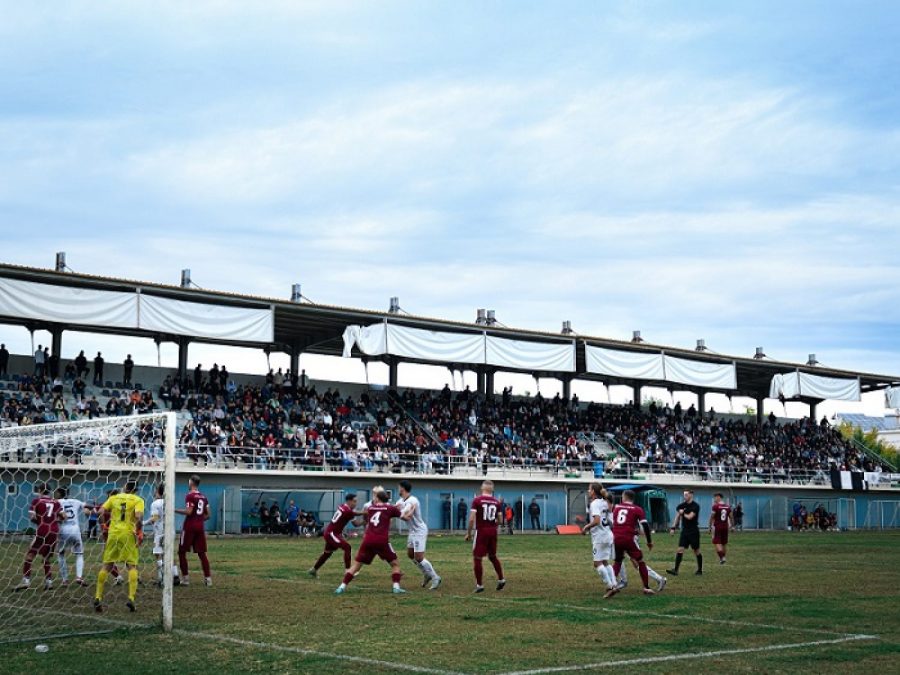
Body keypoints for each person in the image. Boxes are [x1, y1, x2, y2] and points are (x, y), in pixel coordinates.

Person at [334, 487, 408, 595]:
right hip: (382, 540)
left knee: (356, 565)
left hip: (368, 539)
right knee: (395, 564)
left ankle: (341, 587)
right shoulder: (390, 509)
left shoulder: (370, 508)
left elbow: (375, 513)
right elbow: (404, 517)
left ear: (377, 498)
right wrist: (409, 510)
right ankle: (396, 587)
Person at [94, 480, 143, 613]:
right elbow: (138, 516)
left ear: (125, 487)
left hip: (113, 534)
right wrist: (139, 532)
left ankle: (98, 597)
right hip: (127, 534)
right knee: (131, 566)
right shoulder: (138, 500)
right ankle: (131, 598)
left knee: (107, 566)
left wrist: (104, 525)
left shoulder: (113, 498)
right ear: (135, 490)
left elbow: (100, 511)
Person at [605, 489, 654, 598]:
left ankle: (612, 585)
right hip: (628, 538)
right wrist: (649, 541)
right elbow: (645, 526)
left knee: (618, 561)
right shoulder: (637, 509)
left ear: (624, 497)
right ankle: (646, 587)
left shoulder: (616, 507)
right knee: (640, 561)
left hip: (616, 538)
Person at [15, 483, 64, 591]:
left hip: (43, 530)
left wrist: (41, 523)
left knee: (30, 555)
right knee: (46, 558)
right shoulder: (56, 502)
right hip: (54, 531)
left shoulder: (36, 501)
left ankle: (26, 581)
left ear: (40, 490)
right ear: (49, 491)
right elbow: (64, 516)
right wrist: (55, 521)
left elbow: (32, 517)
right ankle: (49, 582)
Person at [397, 480, 441, 590]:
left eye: (399, 487)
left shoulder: (412, 500)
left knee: (419, 557)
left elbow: (406, 513)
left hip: (419, 531)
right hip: (412, 531)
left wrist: (403, 514)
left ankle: (435, 577)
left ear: (402, 488)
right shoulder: (400, 501)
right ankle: (426, 574)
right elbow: (395, 509)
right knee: (410, 554)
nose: (398, 489)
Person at [466, 480, 506, 593]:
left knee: (477, 558)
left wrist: (469, 533)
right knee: (492, 556)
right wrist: (492, 524)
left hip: (481, 531)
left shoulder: (477, 500)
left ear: (482, 488)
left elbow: (471, 519)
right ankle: (501, 579)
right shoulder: (496, 502)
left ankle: (479, 585)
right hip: (493, 531)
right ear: (492, 490)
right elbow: (501, 520)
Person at [309, 494, 361, 576]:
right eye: (354, 501)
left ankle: (313, 570)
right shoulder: (347, 510)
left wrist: (365, 521)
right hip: (332, 534)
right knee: (347, 547)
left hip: (332, 533)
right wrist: (368, 511)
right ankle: (348, 571)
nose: (356, 503)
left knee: (327, 553)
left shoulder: (344, 507)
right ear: (349, 501)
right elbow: (356, 513)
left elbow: (356, 524)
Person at [175, 474, 211, 586]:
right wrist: (199, 519)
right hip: (200, 527)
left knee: (181, 552)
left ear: (190, 482)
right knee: (202, 553)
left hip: (189, 527)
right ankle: (208, 579)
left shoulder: (190, 495)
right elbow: (208, 515)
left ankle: (185, 579)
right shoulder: (204, 497)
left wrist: (174, 510)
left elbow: (189, 511)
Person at [581, 482, 616, 593]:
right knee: (605, 561)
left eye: (589, 489)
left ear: (593, 492)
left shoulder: (595, 504)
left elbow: (596, 520)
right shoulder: (605, 502)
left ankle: (610, 586)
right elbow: (610, 516)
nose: (588, 491)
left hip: (600, 536)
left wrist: (586, 527)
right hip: (608, 534)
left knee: (597, 563)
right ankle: (614, 583)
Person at [56, 487, 90, 587]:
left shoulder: (56, 502)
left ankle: (65, 580)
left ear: (59, 493)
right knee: (79, 554)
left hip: (63, 530)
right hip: (75, 530)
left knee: (61, 554)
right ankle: (79, 577)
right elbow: (87, 507)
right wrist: (92, 508)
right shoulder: (76, 501)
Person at [145, 483, 178, 586]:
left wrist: (143, 523)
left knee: (158, 553)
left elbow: (155, 518)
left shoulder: (155, 503)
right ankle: (175, 575)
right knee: (169, 553)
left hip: (160, 532)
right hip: (170, 530)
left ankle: (161, 578)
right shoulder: (169, 502)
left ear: (157, 491)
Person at [667, 489, 702, 576]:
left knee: (696, 550)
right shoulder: (682, 505)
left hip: (693, 531)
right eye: (684, 495)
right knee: (680, 549)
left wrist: (682, 513)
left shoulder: (695, 506)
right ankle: (675, 570)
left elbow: (690, 517)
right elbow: (678, 516)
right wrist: (673, 527)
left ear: (691, 495)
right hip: (685, 531)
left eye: (686, 495)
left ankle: (700, 570)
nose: (684, 496)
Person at [709, 493, 734, 565]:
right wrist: (732, 526)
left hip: (717, 527)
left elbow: (712, 517)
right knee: (724, 543)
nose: (714, 499)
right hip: (725, 527)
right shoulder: (727, 507)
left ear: (719, 497)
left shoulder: (715, 506)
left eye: (715, 497)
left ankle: (722, 558)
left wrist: (709, 526)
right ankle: (723, 558)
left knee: (717, 542)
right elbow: (731, 517)